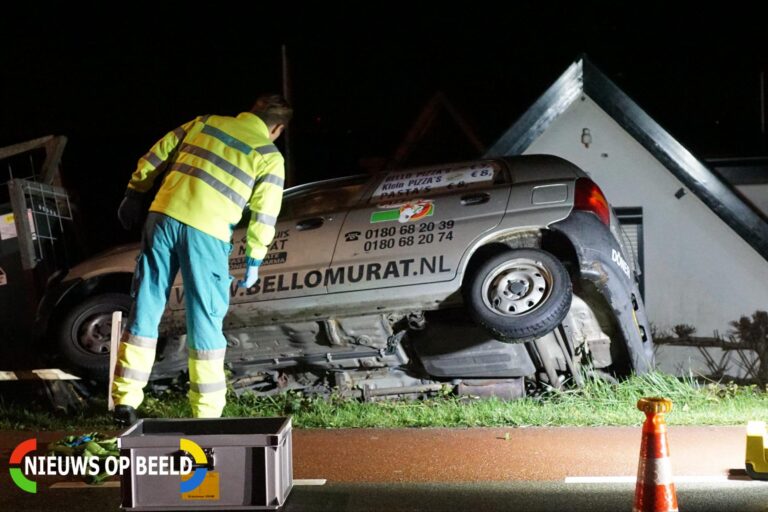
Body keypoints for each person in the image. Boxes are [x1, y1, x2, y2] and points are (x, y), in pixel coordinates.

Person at [111, 94, 292, 425]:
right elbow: (265, 215)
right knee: (205, 320)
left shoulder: (204, 122)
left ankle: (124, 400)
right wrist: (254, 259)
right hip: (206, 233)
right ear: (277, 128)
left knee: (146, 306)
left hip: (162, 217)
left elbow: (154, 156)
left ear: (250, 110)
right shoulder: (269, 156)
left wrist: (134, 192)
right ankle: (206, 414)